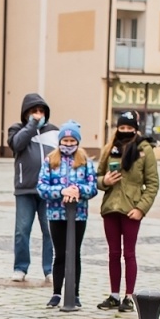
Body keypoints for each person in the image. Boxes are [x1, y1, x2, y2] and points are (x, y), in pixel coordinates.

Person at [94, 111, 159, 312]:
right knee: (113, 253)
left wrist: (141, 208)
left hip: (131, 209)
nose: (125, 132)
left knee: (128, 254)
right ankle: (114, 295)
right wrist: (104, 181)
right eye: (121, 128)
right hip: (111, 207)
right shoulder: (108, 149)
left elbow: (153, 183)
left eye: (129, 128)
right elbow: (97, 176)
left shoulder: (144, 149)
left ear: (135, 129)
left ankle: (128, 297)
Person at [35, 122, 97, 308]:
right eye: (65, 140)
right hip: (56, 215)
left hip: (78, 215)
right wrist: (62, 191)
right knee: (60, 254)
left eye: (72, 140)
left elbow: (92, 187)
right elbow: (42, 187)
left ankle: (74, 293)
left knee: (74, 254)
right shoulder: (50, 160)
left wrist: (78, 190)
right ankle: (56, 293)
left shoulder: (85, 161)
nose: (68, 144)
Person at [7, 93, 58, 284]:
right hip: (25, 189)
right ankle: (20, 268)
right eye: (34, 111)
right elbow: (17, 144)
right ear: (26, 113)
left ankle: (49, 269)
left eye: (41, 111)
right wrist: (31, 126)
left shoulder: (53, 131)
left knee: (50, 231)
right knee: (22, 230)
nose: (38, 115)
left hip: (48, 190)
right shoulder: (17, 129)